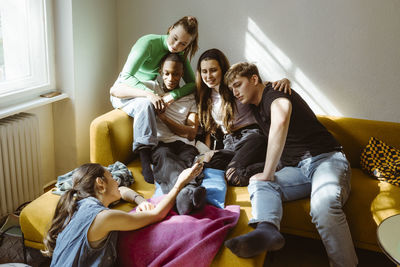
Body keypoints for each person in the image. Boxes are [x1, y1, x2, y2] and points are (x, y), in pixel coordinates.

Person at [223, 62, 357, 267]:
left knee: (323, 207)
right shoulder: (256, 105)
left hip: (326, 159)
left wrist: (268, 171)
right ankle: (267, 230)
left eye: (238, 85)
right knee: (258, 183)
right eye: (232, 88)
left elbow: (282, 116)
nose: (235, 92)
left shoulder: (273, 93)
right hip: (298, 169)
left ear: (254, 79)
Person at [42, 162, 203, 267]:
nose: (117, 181)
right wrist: (180, 183)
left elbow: (123, 191)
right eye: (111, 177)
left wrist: (140, 200)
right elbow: (157, 214)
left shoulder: (78, 206)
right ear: (100, 183)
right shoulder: (104, 217)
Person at [109, 16, 199, 183]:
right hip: (126, 90)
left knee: (146, 103)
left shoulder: (178, 54)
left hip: (150, 91)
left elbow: (193, 84)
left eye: (183, 44)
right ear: (170, 29)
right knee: (145, 103)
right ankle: (144, 159)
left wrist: (173, 95)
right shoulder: (148, 43)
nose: (176, 46)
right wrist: (149, 94)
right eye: (175, 38)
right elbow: (125, 77)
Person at [196, 48, 291, 186]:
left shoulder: (236, 86)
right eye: (204, 71)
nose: (208, 75)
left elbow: (262, 87)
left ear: (222, 69)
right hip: (230, 141)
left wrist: (285, 80)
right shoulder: (205, 95)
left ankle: (280, 164)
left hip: (252, 136)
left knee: (235, 175)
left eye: (213, 70)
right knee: (206, 165)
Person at [144, 53, 205, 215]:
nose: (171, 78)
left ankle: (183, 199)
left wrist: (163, 118)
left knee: (187, 161)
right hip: (161, 145)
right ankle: (190, 191)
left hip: (185, 145)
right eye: (167, 73)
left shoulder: (190, 97)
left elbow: (191, 133)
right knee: (166, 158)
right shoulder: (152, 89)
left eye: (176, 74)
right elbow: (116, 90)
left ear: (182, 74)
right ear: (160, 72)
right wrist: (150, 96)